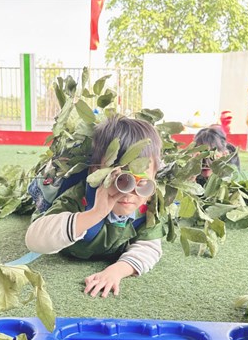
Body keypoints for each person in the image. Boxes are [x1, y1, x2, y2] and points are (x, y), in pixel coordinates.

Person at [25, 116, 166, 298]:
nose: (128, 194)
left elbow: (149, 247)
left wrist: (117, 270)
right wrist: (95, 213)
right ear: (95, 172)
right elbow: (34, 240)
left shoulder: (149, 208)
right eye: (119, 179)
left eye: (142, 182)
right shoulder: (78, 198)